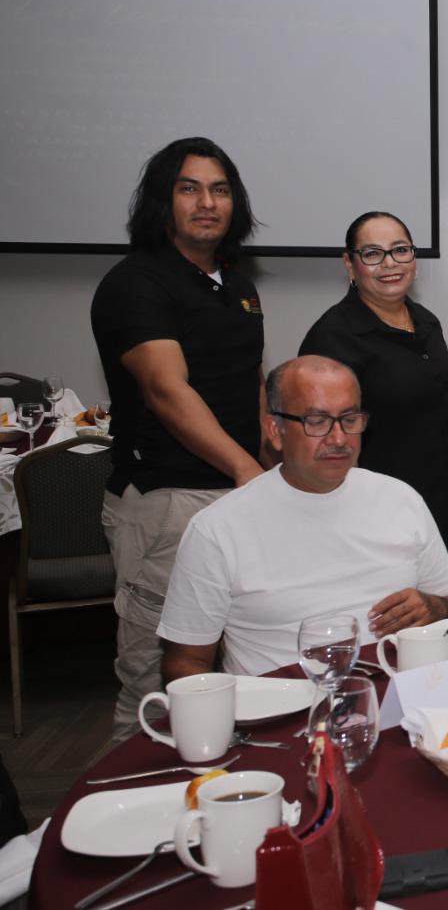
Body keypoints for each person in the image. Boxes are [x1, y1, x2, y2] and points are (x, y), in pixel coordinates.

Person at [89, 137, 267, 741]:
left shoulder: (238, 285)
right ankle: (127, 822)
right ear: (162, 201)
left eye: (219, 189)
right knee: (156, 691)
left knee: (229, 681)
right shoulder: (135, 282)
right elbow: (168, 391)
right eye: (189, 188)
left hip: (238, 496)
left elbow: (248, 385)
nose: (206, 202)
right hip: (169, 503)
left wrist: (270, 471)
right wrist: (250, 473)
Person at [157, 357, 448, 680]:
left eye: (350, 419)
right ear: (275, 431)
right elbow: (185, 664)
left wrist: (436, 608)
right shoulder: (217, 529)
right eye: (317, 422)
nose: (338, 438)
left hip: (397, 700)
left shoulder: (400, 499)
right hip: (279, 716)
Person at [299, 211, 448, 566]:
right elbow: (319, 446)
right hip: (373, 532)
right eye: (372, 253)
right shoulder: (332, 338)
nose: (389, 263)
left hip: (441, 518)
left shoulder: (426, 321)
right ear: (350, 264)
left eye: (400, 250)